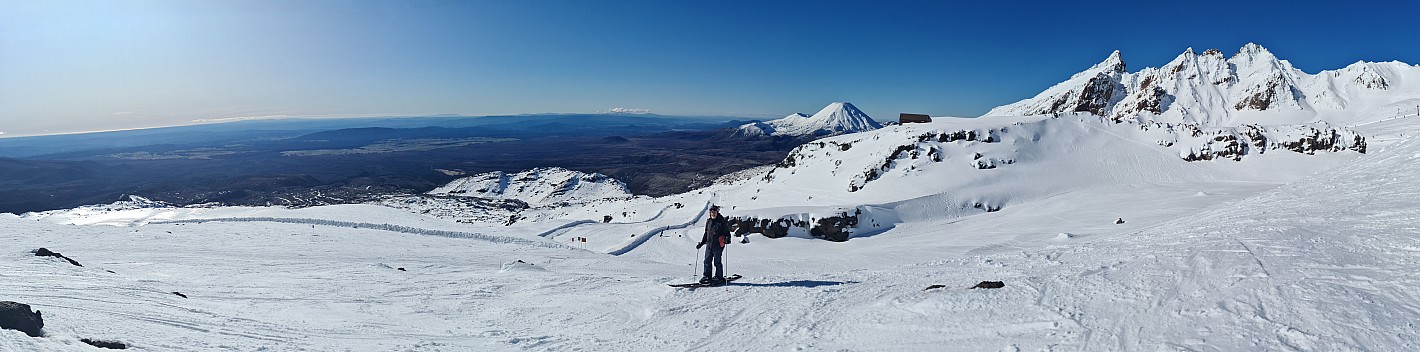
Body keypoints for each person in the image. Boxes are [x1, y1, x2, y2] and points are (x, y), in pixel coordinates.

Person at [697, 205, 732, 284]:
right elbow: (706, 234)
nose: (713, 214)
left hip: (718, 246)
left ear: (717, 212)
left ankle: (719, 277)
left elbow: (727, 233)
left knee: (717, 262)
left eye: (714, 212)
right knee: (707, 261)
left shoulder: (721, 221)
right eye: (712, 212)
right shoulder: (709, 221)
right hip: (709, 246)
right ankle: (707, 276)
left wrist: (727, 239)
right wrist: (702, 243)